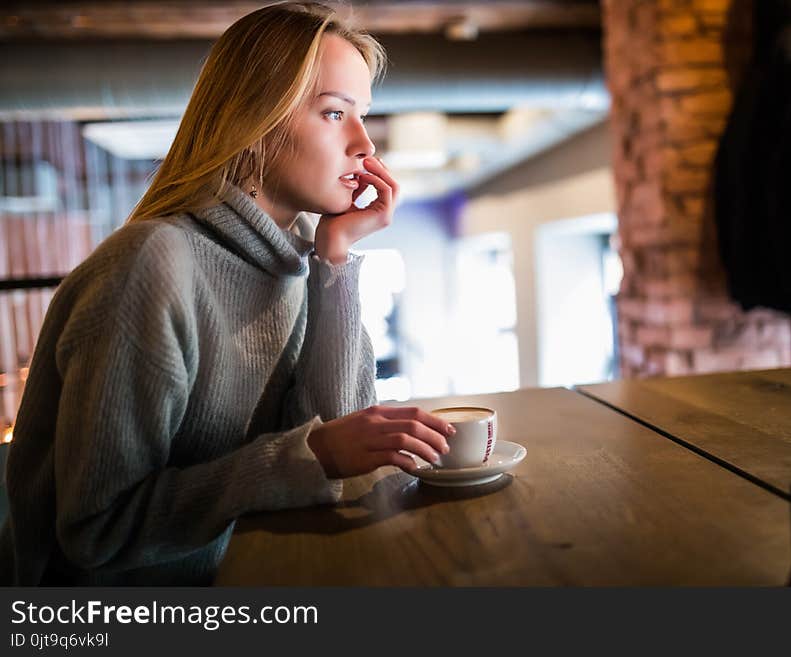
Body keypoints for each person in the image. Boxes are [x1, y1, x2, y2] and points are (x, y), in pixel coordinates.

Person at [0, 2, 454, 586]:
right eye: (336, 113)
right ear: (256, 120)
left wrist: (334, 261)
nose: (365, 144)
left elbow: (333, 441)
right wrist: (312, 455)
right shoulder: (153, 265)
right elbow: (97, 532)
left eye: (363, 115)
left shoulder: (294, 261)